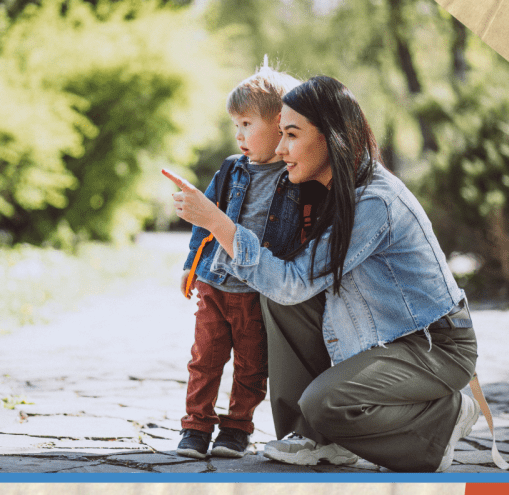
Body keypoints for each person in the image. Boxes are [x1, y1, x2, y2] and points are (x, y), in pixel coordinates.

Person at [165, 75, 488, 472]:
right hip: (378, 339)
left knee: (326, 403)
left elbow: (293, 283)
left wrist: (218, 223)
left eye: (292, 135)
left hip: (431, 345)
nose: (280, 149)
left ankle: (444, 418)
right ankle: (312, 438)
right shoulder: (326, 191)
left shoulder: (374, 202)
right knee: (278, 299)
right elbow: (288, 282)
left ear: (331, 136)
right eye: (280, 134)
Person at [172, 61, 303, 459]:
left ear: (280, 124)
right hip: (214, 283)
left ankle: (236, 428)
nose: (239, 134)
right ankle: (195, 427)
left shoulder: (294, 176)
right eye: (236, 125)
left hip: (256, 293)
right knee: (204, 359)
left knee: (251, 366)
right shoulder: (232, 169)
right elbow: (205, 218)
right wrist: (191, 264)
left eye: (247, 124)